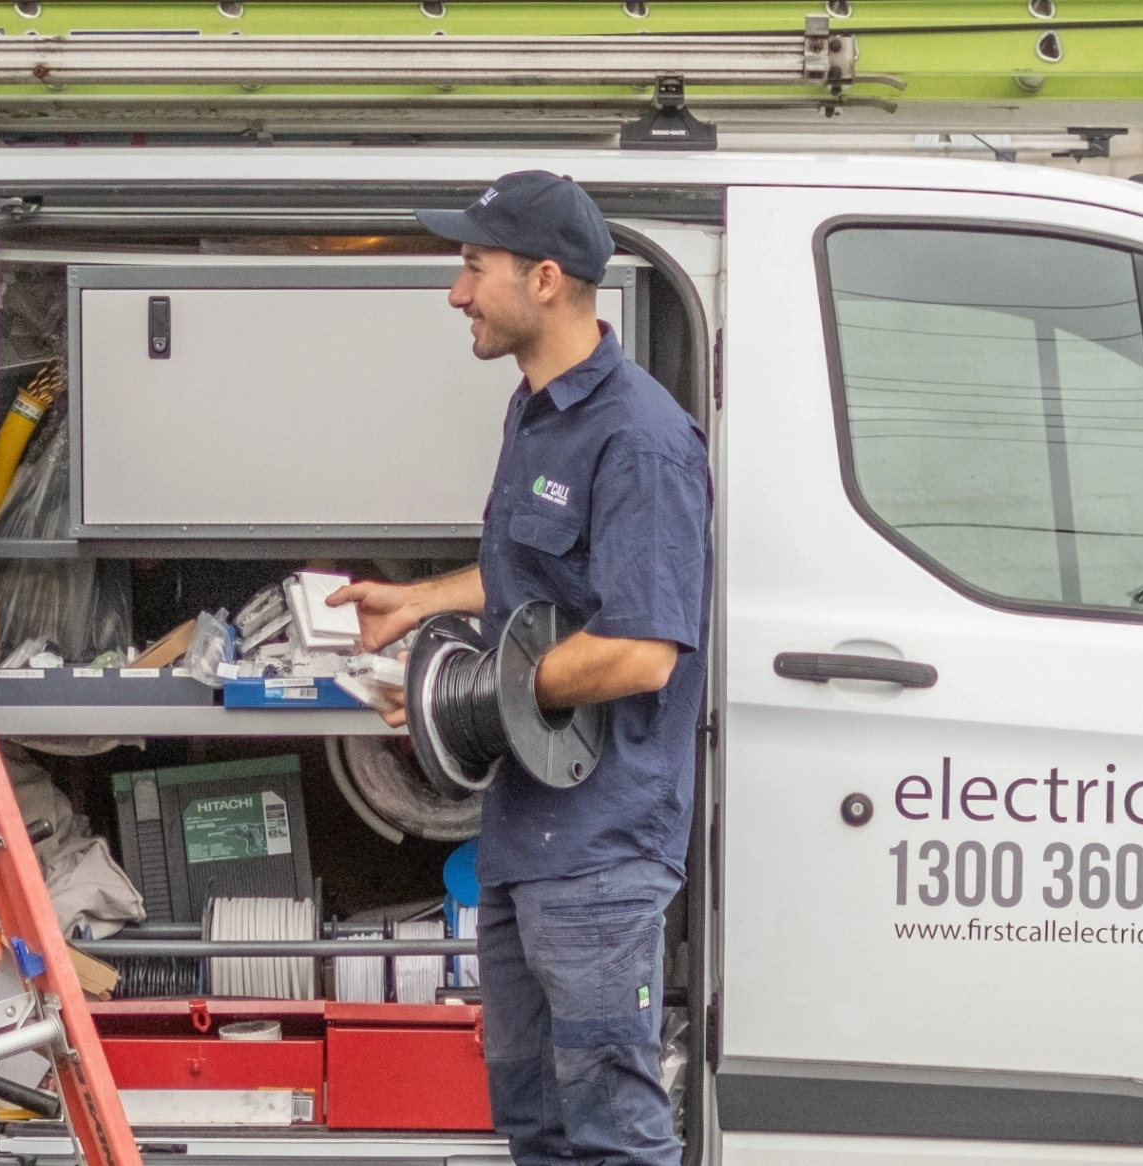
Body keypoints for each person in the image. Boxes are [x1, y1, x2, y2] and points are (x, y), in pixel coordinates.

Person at [330, 171, 710, 1166]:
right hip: (526, 839)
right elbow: (533, 578)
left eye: (471, 267)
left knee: (613, 1136)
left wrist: (472, 702)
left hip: (599, 849)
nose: (457, 292)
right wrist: (421, 601)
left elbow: (639, 648)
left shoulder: (641, 440)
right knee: (537, 1129)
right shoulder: (536, 412)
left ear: (545, 278)